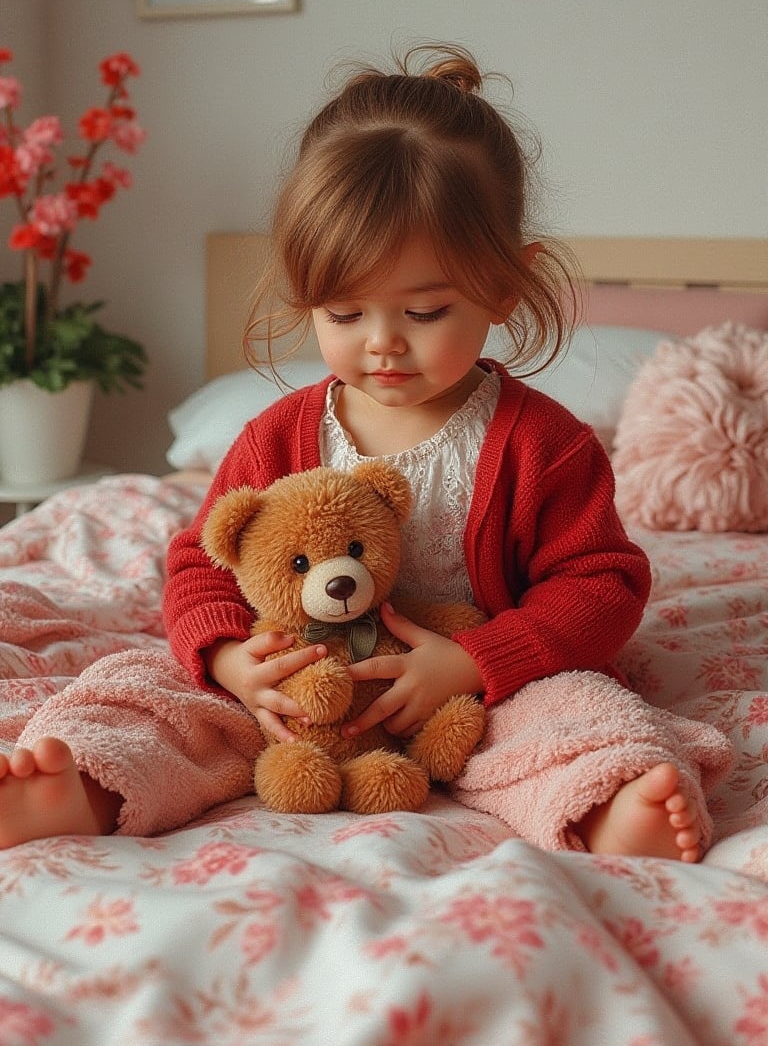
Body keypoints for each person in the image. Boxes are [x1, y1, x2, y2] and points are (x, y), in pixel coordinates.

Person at [0, 44, 730, 857]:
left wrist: (476, 661)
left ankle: (614, 803)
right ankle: (82, 783)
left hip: (481, 695)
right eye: (344, 315)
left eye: (423, 313)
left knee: (580, 710)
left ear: (506, 286)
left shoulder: (544, 445)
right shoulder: (277, 435)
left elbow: (601, 584)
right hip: (297, 696)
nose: (382, 345)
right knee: (149, 692)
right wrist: (234, 659)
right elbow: (202, 563)